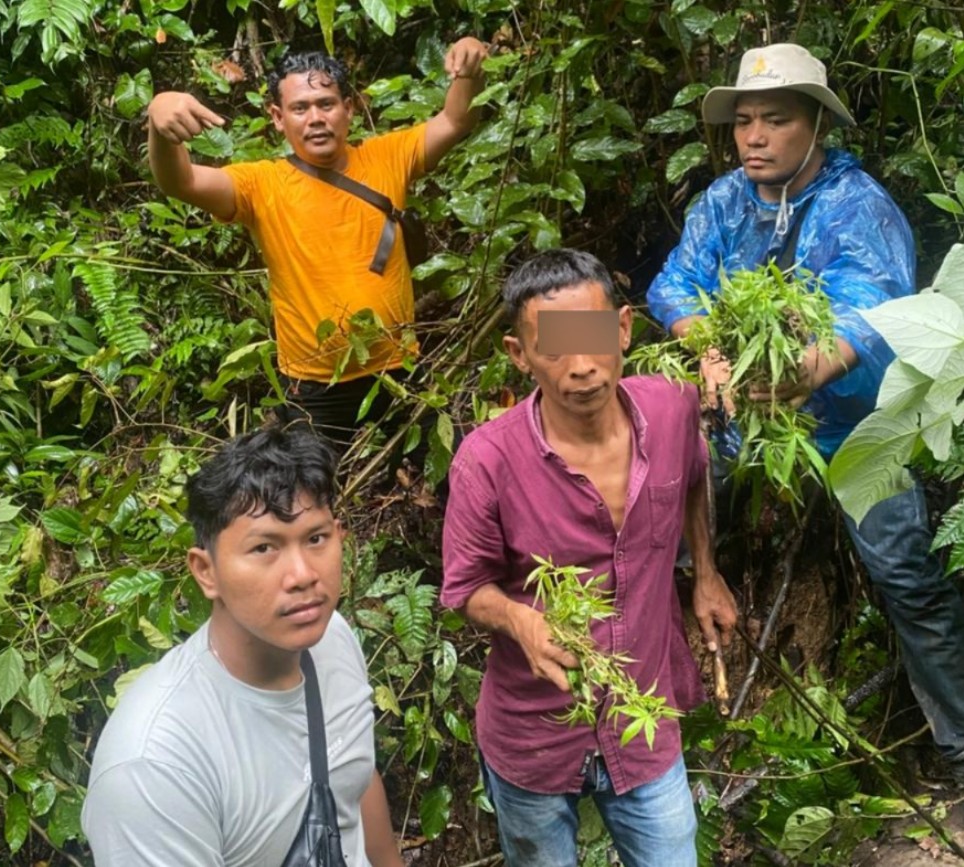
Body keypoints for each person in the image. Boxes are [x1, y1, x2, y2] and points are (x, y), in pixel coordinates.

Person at [648, 43, 964, 781]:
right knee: (660, 508)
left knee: (906, 574)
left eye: (776, 120)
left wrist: (807, 370)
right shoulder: (724, 202)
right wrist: (710, 350)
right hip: (745, 419)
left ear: (817, 125)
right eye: (744, 122)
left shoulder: (858, 205)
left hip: (857, 426)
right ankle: (672, 716)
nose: (754, 137)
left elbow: (868, 307)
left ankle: (958, 742)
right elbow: (673, 285)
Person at [441, 249, 738, 866]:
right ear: (519, 354)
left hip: (643, 721)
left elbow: (693, 474)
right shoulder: (487, 461)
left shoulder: (672, 408)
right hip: (535, 735)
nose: (581, 367)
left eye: (593, 338)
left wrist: (705, 574)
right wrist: (521, 620)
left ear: (623, 329)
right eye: (555, 347)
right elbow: (465, 587)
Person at [82, 427, 403, 866]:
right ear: (206, 572)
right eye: (264, 547)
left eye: (315, 539)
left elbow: (354, 782)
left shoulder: (333, 638)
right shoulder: (154, 762)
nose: (303, 575)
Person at [146, 39, 488, 444]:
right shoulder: (261, 184)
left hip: (399, 369)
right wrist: (159, 118)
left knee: (454, 467)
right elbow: (181, 182)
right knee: (304, 484)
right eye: (300, 108)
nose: (315, 118)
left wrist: (470, 65)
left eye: (326, 104)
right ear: (277, 117)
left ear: (349, 108)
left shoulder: (388, 157)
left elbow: (455, 120)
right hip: (313, 385)